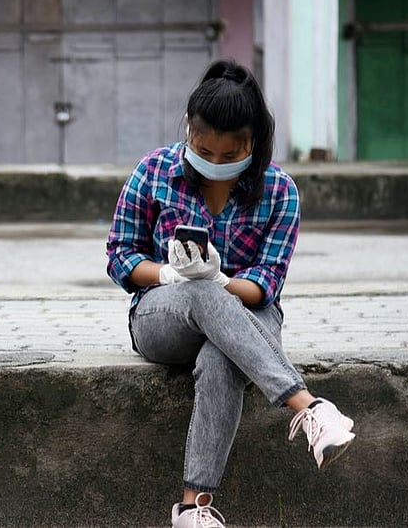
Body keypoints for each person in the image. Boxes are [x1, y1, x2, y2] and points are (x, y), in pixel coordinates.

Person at [105, 59, 357, 528]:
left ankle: (193, 510)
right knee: (200, 294)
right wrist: (172, 277)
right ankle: (308, 408)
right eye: (204, 151)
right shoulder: (153, 171)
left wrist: (222, 281)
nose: (215, 162)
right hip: (164, 316)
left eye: (229, 153)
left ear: (254, 142)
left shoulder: (279, 190)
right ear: (188, 129)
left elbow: (266, 284)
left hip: (249, 314)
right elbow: (121, 257)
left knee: (222, 356)